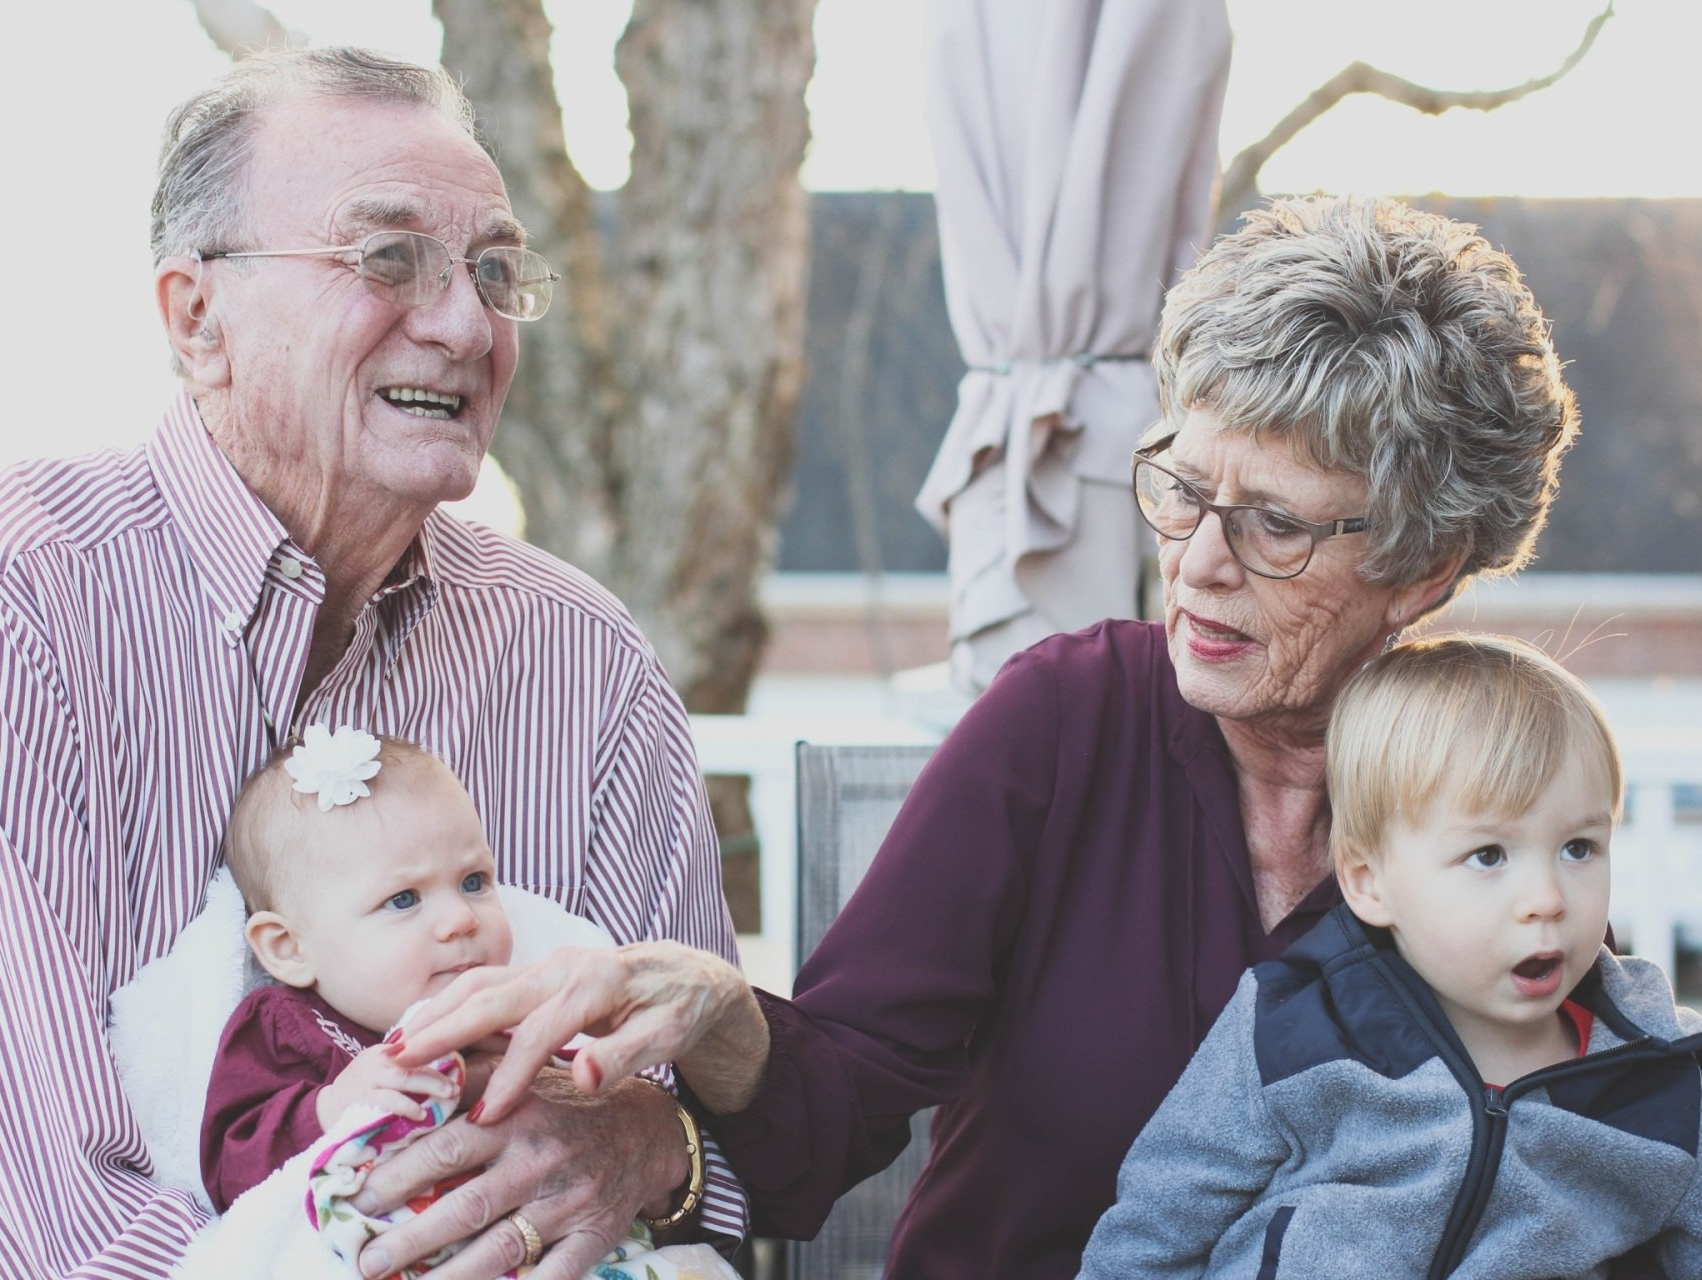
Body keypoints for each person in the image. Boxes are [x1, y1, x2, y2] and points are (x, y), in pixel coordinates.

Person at [391, 194, 1585, 1278]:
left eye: (1274, 523)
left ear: (1422, 568)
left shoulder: (1503, 791)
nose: (1197, 562)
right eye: (1180, 485)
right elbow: (828, 1117)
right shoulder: (1068, 721)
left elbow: (1572, 1149)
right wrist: (721, 1005)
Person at [0, 47, 742, 1280]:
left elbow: (704, 1164)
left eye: (495, 271)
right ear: (198, 319)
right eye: (387, 257)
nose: (464, 322)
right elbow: (41, 1210)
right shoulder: (27, 606)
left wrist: (650, 1139)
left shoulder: (586, 660)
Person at [1078, 635, 1702, 1277]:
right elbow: (1155, 1230)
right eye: (1487, 855)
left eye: (1578, 847)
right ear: (1369, 881)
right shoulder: (1292, 1031)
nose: (1546, 899)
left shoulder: (1662, 1077)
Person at [201, 728, 517, 1212]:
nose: (461, 919)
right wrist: (330, 1107)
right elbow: (229, 1168)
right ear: (289, 948)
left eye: (474, 881)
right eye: (404, 899)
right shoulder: (288, 1027)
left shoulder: (512, 1009)